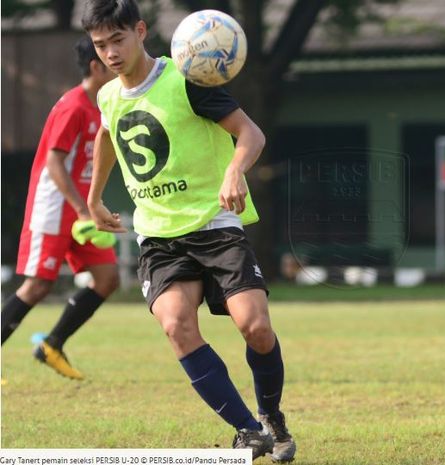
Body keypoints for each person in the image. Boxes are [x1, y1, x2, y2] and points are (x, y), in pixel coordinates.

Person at [81, 0, 295, 460]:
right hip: (159, 236)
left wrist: (234, 173)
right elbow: (106, 134)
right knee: (177, 326)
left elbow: (251, 134)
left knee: (255, 328)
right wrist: (95, 197)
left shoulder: (189, 80)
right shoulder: (108, 95)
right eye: (101, 46)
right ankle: (246, 430)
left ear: (140, 31)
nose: (110, 53)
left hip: (214, 225)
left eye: (118, 40)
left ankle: (271, 418)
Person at [0, 36, 119, 381]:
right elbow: (54, 164)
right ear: (95, 66)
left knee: (107, 279)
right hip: (54, 208)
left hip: (83, 209)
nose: (115, 61)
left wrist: (92, 205)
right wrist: (83, 209)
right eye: (106, 57)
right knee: (37, 286)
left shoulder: (106, 104)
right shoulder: (72, 106)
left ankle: (52, 344)